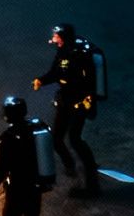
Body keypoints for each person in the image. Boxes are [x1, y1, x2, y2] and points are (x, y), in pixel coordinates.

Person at [33, 22, 101, 196]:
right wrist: (41, 80)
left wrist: (87, 100)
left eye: (56, 35)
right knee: (57, 138)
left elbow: (89, 81)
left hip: (79, 102)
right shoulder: (62, 51)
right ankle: (70, 166)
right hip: (65, 100)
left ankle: (92, 185)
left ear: (63, 37)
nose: (53, 38)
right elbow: (56, 73)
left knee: (75, 140)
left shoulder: (79, 55)